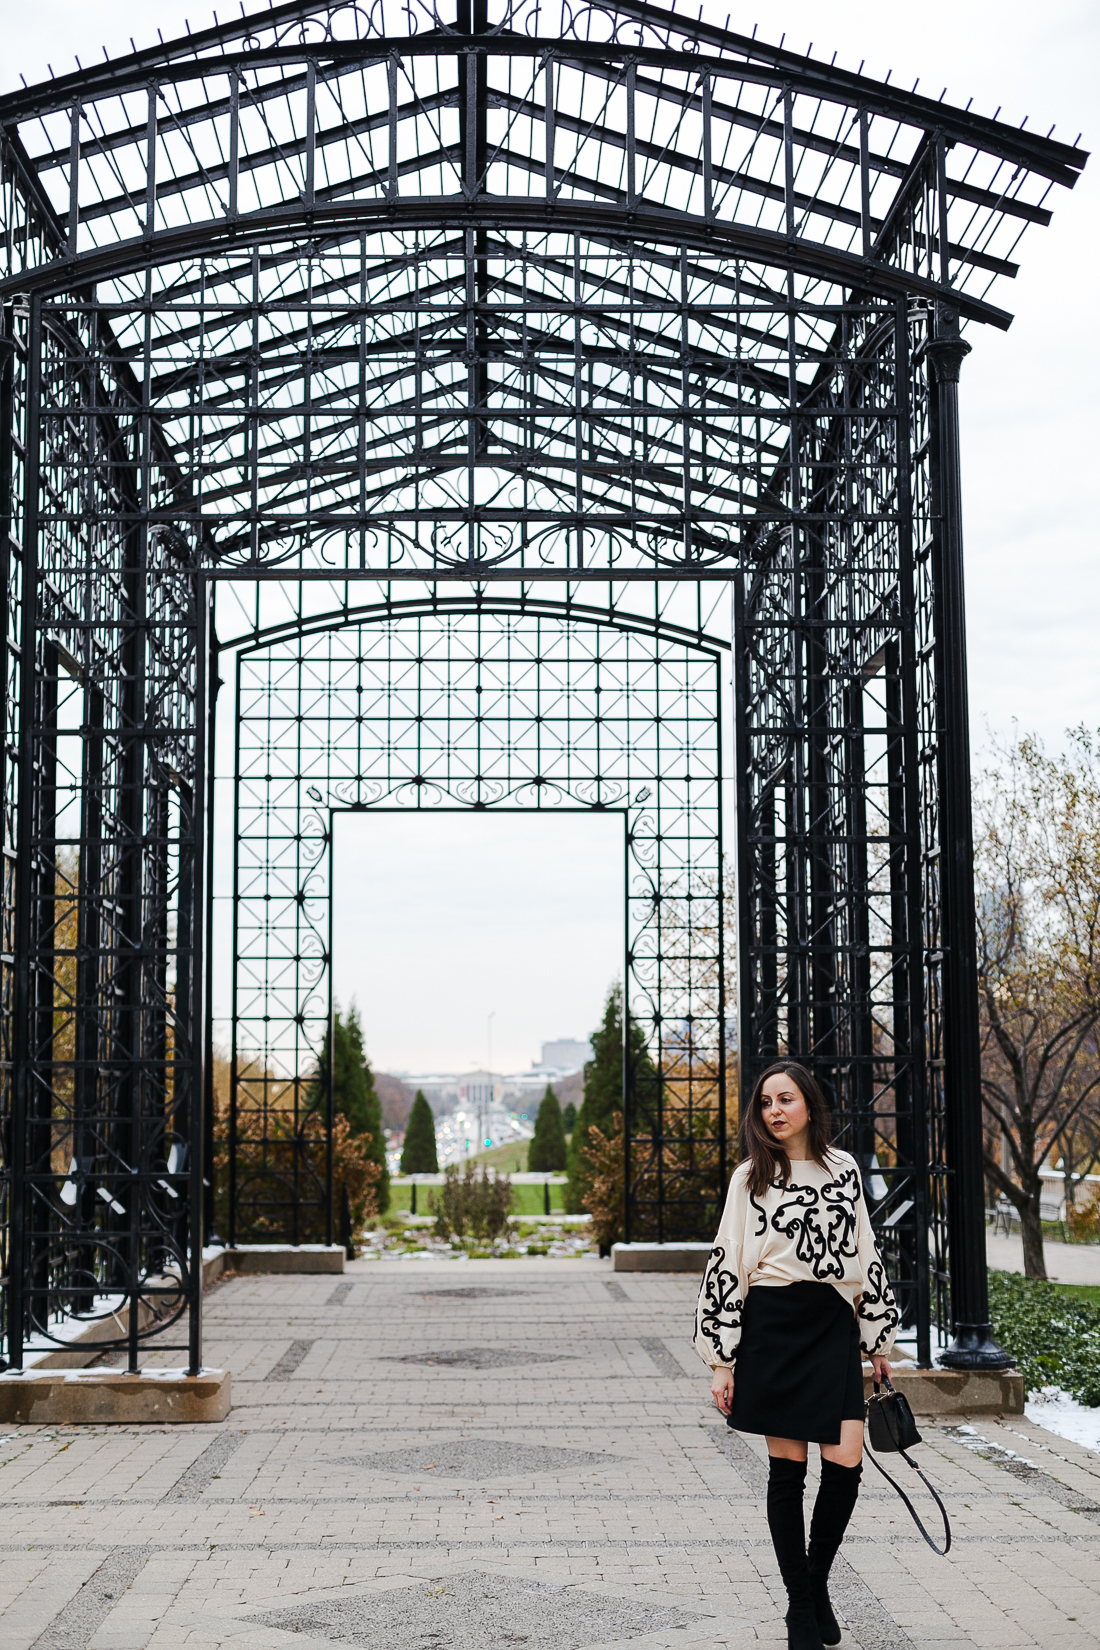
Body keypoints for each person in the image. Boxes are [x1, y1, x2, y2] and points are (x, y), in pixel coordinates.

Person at [694, 1061, 898, 1650]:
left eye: (786, 1099)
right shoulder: (749, 1178)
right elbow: (726, 1262)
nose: (775, 1111)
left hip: (831, 1325)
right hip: (772, 1327)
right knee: (788, 1472)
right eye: (765, 1103)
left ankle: (814, 1581)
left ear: (809, 1103)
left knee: (845, 1459)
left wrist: (877, 1337)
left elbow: (865, 1250)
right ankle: (800, 1607)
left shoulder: (844, 1170)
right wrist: (721, 1359)